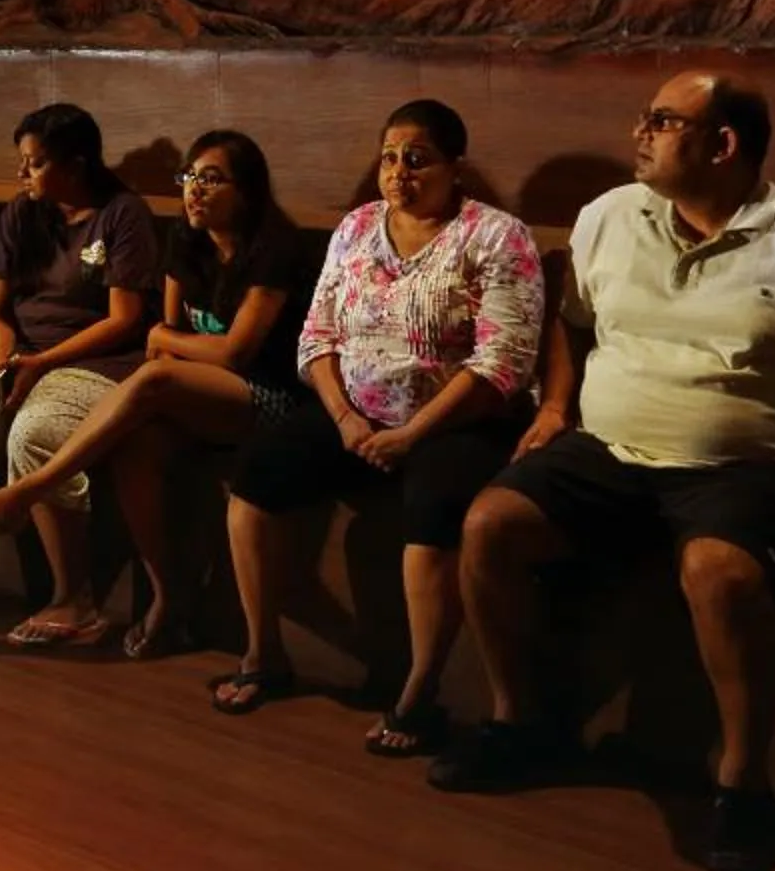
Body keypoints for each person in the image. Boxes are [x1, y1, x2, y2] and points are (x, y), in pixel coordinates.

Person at [442, 74, 775, 871]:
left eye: (661, 121)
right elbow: (569, 317)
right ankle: (522, 724)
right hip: (609, 450)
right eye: (644, 119)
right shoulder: (610, 216)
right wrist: (555, 403)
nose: (638, 133)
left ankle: (742, 783)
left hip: (741, 467)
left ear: (723, 144)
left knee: (717, 571)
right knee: (487, 526)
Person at [216, 100, 544, 758]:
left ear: (456, 167)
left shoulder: (496, 236)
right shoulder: (359, 226)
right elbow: (317, 336)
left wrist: (413, 433)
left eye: (417, 159)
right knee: (253, 476)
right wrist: (342, 417)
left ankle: (419, 694)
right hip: (353, 415)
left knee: (435, 506)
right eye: (389, 158)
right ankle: (263, 652)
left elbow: (502, 361)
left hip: (456, 420)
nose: (398, 173)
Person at [0, 128, 312, 659]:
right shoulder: (186, 243)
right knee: (132, 450)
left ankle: (25, 491)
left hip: (268, 397)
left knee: (153, 378)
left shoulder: (274, 251)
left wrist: (168, 341)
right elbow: (164, 338)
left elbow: (233, 352)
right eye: (189, 177)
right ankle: (168, 594)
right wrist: (168, 342)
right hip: (198, 392)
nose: (195, 191)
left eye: (212, 179)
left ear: (248, 189)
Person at [0, 102, 159, 647]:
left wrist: (42, 364)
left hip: (95, 361)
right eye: (22, 161)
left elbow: (125, 320)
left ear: (76, 163)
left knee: (35, 433)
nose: (24, 174)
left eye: (36, 163)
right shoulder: (24, 213)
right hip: (18, 353)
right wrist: (3, 365)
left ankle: (74, 598)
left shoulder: (121, 214)